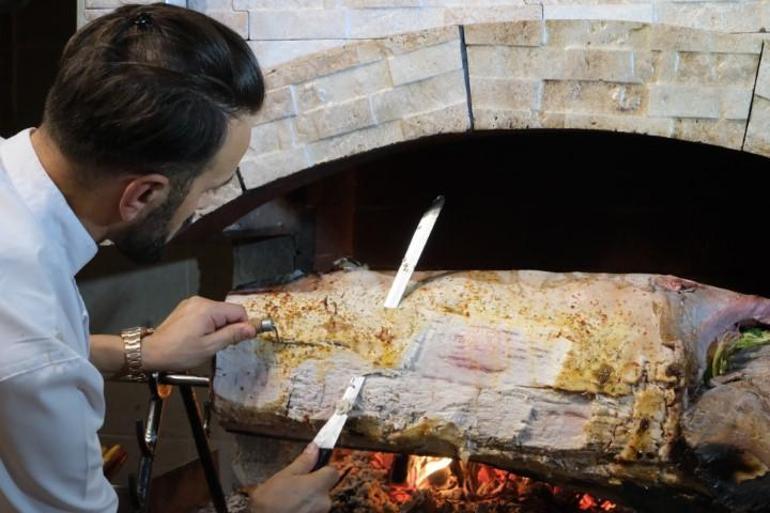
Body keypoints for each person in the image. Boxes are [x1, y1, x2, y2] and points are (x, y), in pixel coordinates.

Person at [0, 4, 338, 512]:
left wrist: (142, 351)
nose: (200, 208)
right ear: (140, 196)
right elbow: (30, 358)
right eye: (207, 189)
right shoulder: (31, 329)